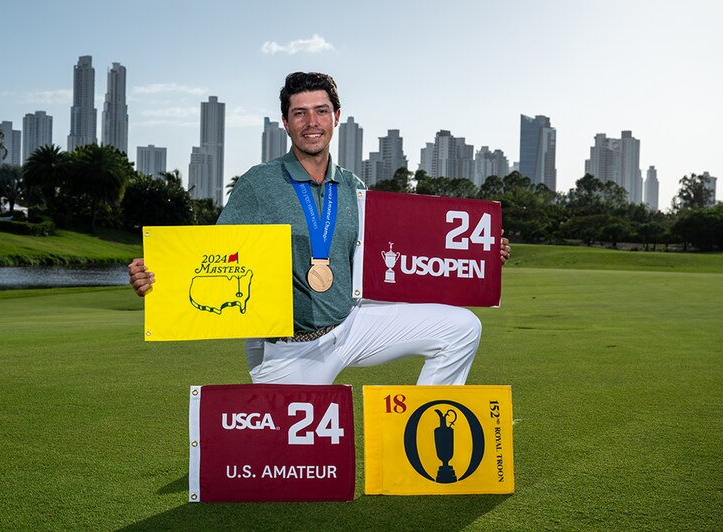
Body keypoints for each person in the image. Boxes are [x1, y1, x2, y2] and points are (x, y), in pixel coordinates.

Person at [129, 72, 511, 386]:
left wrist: (477, 255)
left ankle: (424, 431)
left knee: (461, 328)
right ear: (286, 123)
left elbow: (402, 255)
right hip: (289, 347)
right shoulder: (259, 183)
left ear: (336, 117)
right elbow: (211, 255)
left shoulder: (355, 188)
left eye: (321, 111)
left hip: (352, 325)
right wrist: (156, 277)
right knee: (288, 467)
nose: (312, 122)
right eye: (300, 113)